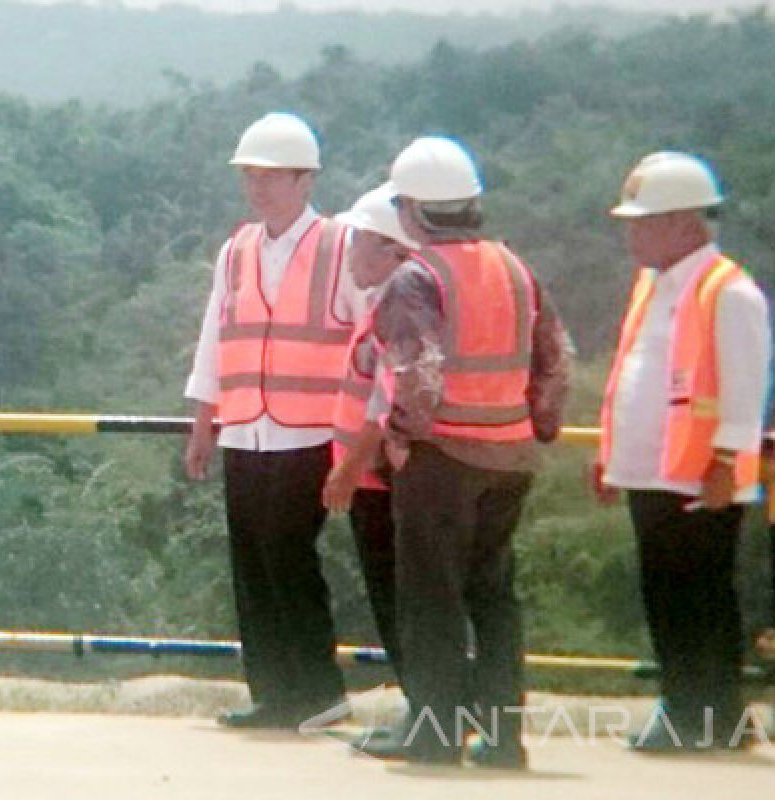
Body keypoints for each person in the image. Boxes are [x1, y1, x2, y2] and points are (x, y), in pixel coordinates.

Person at [356, 137, 571, 768]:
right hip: (511, 458)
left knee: (431, 599)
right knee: (493, 596)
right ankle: (504, 739)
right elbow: (556, 365)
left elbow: (419, 378)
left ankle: (435, 732)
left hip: (443, 459)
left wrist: (396, 439)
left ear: (410, 210)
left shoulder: (416, 278)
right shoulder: (514, 268)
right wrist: (537, 430)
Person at [183, 112, 368, 730]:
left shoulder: (339, 246)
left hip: (309, 430)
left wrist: (364, 431)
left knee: (290, 560)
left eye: (269, 177)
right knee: (253, 563)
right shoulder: (236, 250)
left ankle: (317, 691)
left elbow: (368, 339)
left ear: (304, 180)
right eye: (250, 176)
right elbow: (217, 334)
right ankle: (274, 692)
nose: (256, 188)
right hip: (245, 428)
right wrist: (204, 418)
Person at [592, 151, 772, 751]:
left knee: (702, 597)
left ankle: (709, 713)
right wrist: (612, 455)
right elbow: (631, 375)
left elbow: (747, 387)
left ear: (681, 221)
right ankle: (691, 708)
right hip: (653, 471)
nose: (631, 233)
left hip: (701, 478)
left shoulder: (728, 291)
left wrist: (725, 463)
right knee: (666, 594)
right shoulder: (654, 287)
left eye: (641, 221)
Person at [321, 183, 422, 687]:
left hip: (382, 482)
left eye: (360, 239)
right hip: (373, 480)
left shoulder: (394, 310)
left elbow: (384, 403)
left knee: (399, 601)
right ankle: (427, 708)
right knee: (393, 601)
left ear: (392, 251)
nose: (350, 250)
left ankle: (429, 710)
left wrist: (349, 466)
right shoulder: (381, 305)